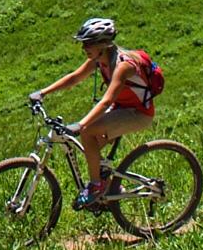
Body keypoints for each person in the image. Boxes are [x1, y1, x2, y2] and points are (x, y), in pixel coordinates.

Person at [29, 18, 158, 207]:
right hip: (122, 108)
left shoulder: (123, 65)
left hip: (138, 113)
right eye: (83, 43)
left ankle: (96, 186)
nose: (84, 48)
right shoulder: (99, 59)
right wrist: (42, 93)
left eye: (89, 43)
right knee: (92, 145)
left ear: (103, 44)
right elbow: (74, 78)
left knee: (88, 132)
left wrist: (81, 125)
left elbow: (106, 101)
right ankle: (108, 187)